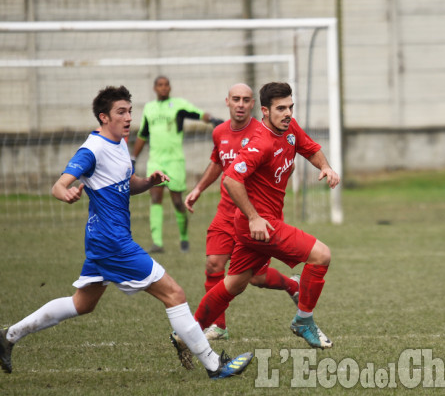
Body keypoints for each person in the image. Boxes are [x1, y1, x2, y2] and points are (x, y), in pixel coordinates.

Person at [0, 85, 252, 379]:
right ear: (104, 117)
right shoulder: (93, 149)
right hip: (113, 242)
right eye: (120, 112)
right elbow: (59, 185)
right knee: (175, 294)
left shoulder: (120, 145)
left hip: (103, 240)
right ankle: (215, 365)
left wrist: (148, 182)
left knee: (82, 303)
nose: (128, 118)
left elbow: (125, 186)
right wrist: (66, 193)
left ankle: (7, 337)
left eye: (129, 111)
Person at [174, 82, 339, 358]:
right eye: (281, 109)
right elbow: (231, 180)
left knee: (234, 284)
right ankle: (303, 320)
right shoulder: (259, 143)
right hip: (260, 226)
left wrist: (325, 167)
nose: (288, 113)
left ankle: (187, 334)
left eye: (290, 107)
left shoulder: (289, 128)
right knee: (321, 255)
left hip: (262, 223)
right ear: (264, 111)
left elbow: (309, 148)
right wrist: (254, 218)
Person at [184, 83, 300, 341]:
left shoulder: (264, 133)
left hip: (255, 214)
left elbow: (284, 160)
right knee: (214, 263)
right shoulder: (219, 132)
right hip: (226, 211)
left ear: (254, 106)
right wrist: (199, 189)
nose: (240, 104)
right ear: (227, 102)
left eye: (246, 100)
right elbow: (218, 162)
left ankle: (293, 285)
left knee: (256, 278)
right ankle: (218, 325)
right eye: (236, 99)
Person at [132, 76, 222, 254]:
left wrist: (212, 120)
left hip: (175, 161)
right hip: (155, 160)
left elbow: (198, 113)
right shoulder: (149, 109)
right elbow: (143, 134)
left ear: (170, 88)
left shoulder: (178, 105)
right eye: (160, 85)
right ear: (155, 88)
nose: (163, 88)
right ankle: (157, 243)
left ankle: (184, 237)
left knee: (177, 201)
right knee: (155, 198)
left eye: (166, 85)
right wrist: (133, 157)